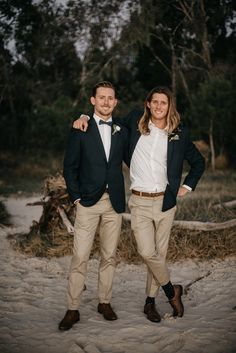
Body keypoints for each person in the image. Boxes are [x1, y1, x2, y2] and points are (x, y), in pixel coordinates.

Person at [73, 86, 205, 323]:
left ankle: (150, 302)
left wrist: (187, 186)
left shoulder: (179, 132)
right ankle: (171, 290)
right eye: (154, 102)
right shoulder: (135, 121)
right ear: (147, 104)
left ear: (169, 106)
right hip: (140, 202)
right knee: (147, 252)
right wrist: (83, 116)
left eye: (163, 103)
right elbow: (105, 116)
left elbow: (199, 162)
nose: (158, 107)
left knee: (159, 254)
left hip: (166, 201)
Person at [59, 81, 129, 331]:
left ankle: (104, 302)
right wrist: (76, 198)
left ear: (116, 101)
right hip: (88, 202)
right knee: (80, 256)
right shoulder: (81, 128)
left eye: (111, 98)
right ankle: (72, 308)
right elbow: (70, 167)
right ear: (93, 100)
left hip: (115, 203)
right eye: (101, 98)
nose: (106, 102)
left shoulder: (122, 127)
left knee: (109, 256)